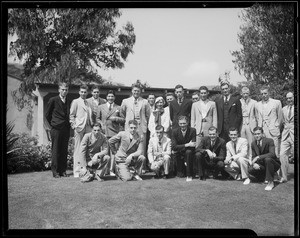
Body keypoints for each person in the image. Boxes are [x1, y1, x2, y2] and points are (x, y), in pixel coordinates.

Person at [45, 82, 71, 178]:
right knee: (55, 150)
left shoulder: (68, 100)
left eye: (66, 90)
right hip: (56, 128)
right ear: (59, 90)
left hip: (66, 128)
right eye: (63, 89)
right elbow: (47, 114)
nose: (64, 91)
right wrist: (53, 124)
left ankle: (62, 171)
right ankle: (55, 171)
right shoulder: (53, 100)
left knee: (64, 150)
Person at [97, 90, 125, 176]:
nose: (110, 98)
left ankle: (112, 170)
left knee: (113, 152)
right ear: (106, 97)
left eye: (112, 96)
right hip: (104, 132)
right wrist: (101, 124)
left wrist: (115, 118)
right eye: (109, 96)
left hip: (114, 132)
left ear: (114, 97)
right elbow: (97, 118)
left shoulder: (118, 107)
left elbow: (123, 120)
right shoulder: (101, 107)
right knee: (105, 152)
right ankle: (104, 170)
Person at [69, 83, 93, 177]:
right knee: (78, 149)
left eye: (85, 92)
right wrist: (74, 125)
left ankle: (85, 170)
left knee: (86, 149)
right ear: (79, 92)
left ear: (87, 93)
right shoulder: (75, 102)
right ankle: (77, 171)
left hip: (88, 128)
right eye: (81, 92)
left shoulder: (88, 103)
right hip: (79, 128)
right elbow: (72, 115)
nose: (83, 93)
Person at [121, 83, 151, 156]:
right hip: (129, 127)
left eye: (138, 91)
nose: (136, 92)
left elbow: (148, 115)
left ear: (140, 91)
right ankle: (128, 164)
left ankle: (141, 165)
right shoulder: (125, 101)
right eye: (135, 90)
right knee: (129, 146)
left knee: (141, 147)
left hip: (141, 127)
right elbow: (122, 113)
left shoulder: (145, 102)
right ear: (132, 91)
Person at [255, 86, 283, 157]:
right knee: (263, 150)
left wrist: (276, 127)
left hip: (272, 130)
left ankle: (277, 167)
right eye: (262, 94)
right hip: (262, 131)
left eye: (265, 93)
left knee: (275, 151)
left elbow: (280, 117)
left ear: (269, 93)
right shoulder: (257, 105)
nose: (263, 95)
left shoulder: (276, 102)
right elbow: (257, 117)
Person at [171, 115, 196, 182]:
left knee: (188, 152)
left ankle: (189, 175)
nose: (182, 125)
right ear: (178, 124)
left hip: (189, 153)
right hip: (179, 154)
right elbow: (173, 147)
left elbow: (193, 145)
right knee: (180, 175)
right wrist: (187, 145)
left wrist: (179, 147)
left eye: (184, 123)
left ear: (187, 123)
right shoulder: (174, 131)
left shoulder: (193, 130)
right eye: (181, 123)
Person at [278, 92, 294, 183]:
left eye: (290, 98)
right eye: (287, 98)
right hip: (285, 135)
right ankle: (284, 177)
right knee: (282, 155)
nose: (289, 100)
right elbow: (282, 122)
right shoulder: (283, 109)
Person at [239, 86, 257, 158]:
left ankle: (251, 158)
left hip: (250, 124)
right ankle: (243, 158)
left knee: (251, 142)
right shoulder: (238, 101)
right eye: (244, 93)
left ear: (249, 93)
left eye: (247, 93)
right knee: (242, 142)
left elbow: (256, 115)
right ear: (241, 93)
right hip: (241, 124)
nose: (245, 95)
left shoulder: (254, 102)